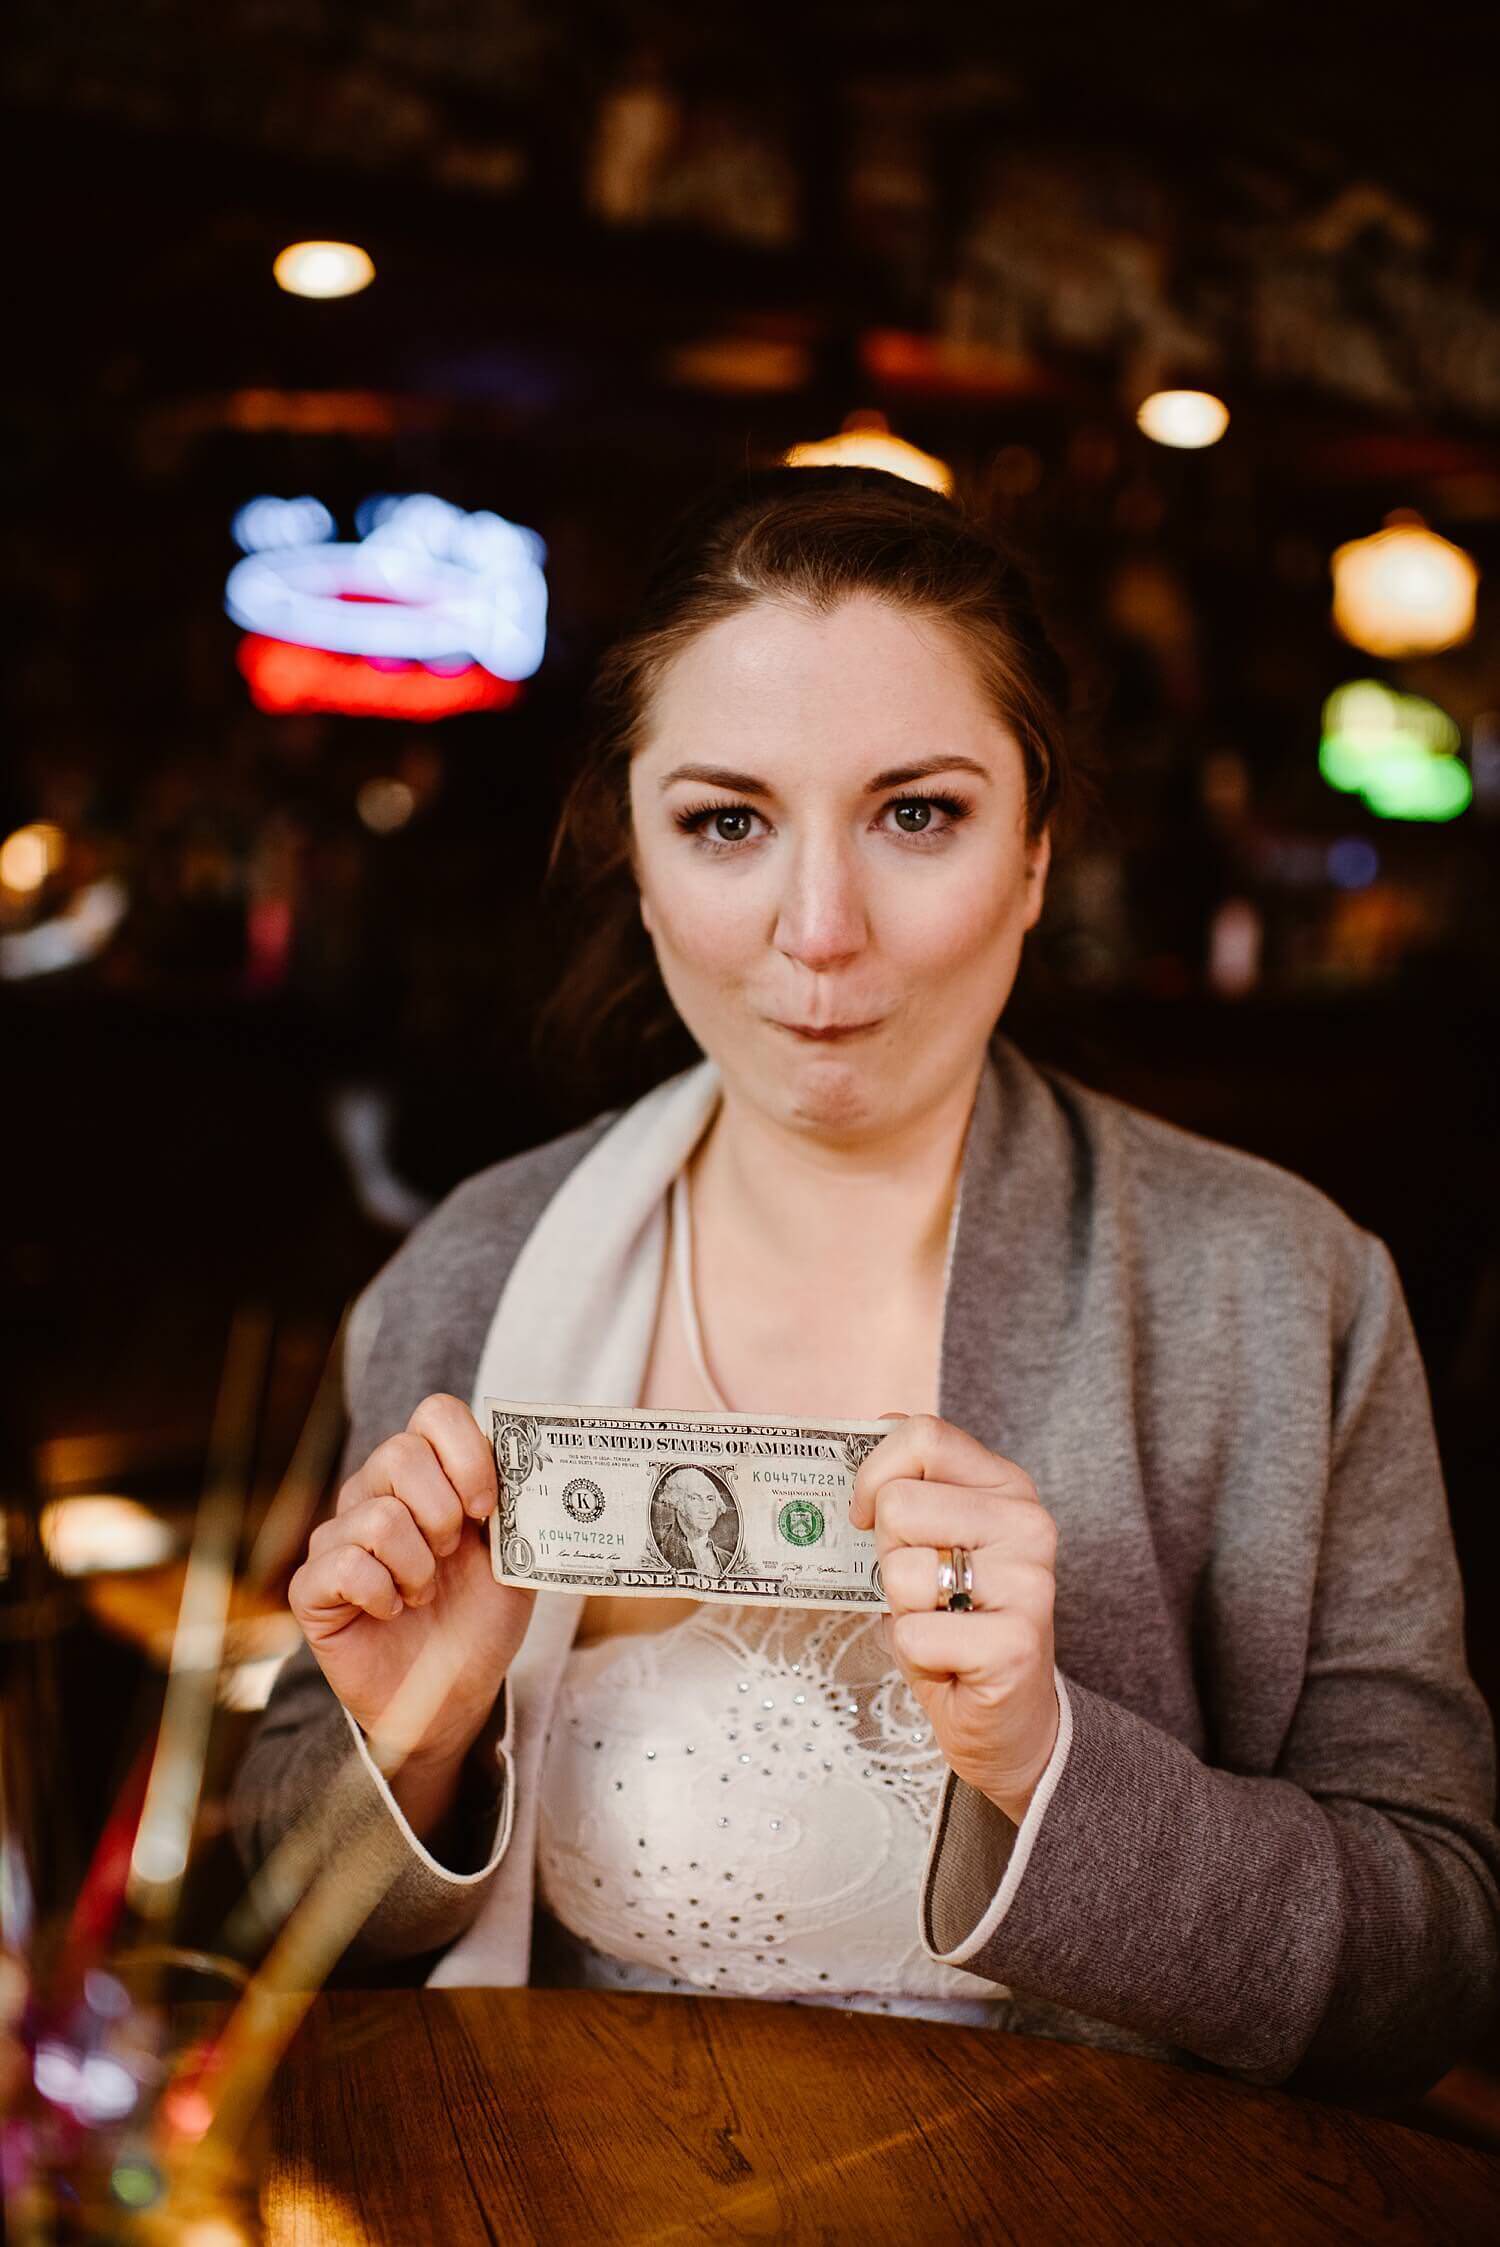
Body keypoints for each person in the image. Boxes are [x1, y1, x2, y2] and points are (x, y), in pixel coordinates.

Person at [233, 466, 1499, 2102]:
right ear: (632, 844)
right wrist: (409, 1746)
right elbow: (279, 1883)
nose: (817, 929)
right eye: (727, 821)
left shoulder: (1281, 1289)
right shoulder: (474, 1268)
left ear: (1036, 850)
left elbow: (1439, 1957)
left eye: (918, 812)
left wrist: (1045, 1762)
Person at [650, 1468, 738, 1576]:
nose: (705, 1509)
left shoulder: (727, 1558)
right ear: (677, 1502)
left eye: (710, 1499)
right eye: (695, 1499)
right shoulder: (659, 1554)